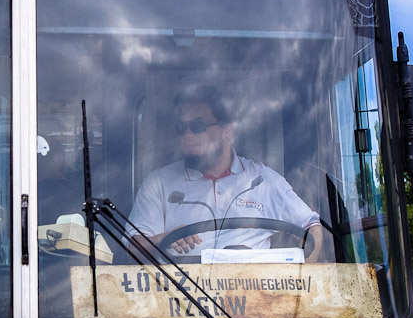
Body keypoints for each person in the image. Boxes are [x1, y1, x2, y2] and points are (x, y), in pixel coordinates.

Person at [127, 87, 323, 261]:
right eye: (181, 128)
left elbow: (311, 224)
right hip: (179, 290)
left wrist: (306, 277)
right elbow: (132, 248)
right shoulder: (159, 183)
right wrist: (162, 239)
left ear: (227, 131)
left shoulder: (262, 180)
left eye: (197, 126)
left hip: (256, 290)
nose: (187, 134)